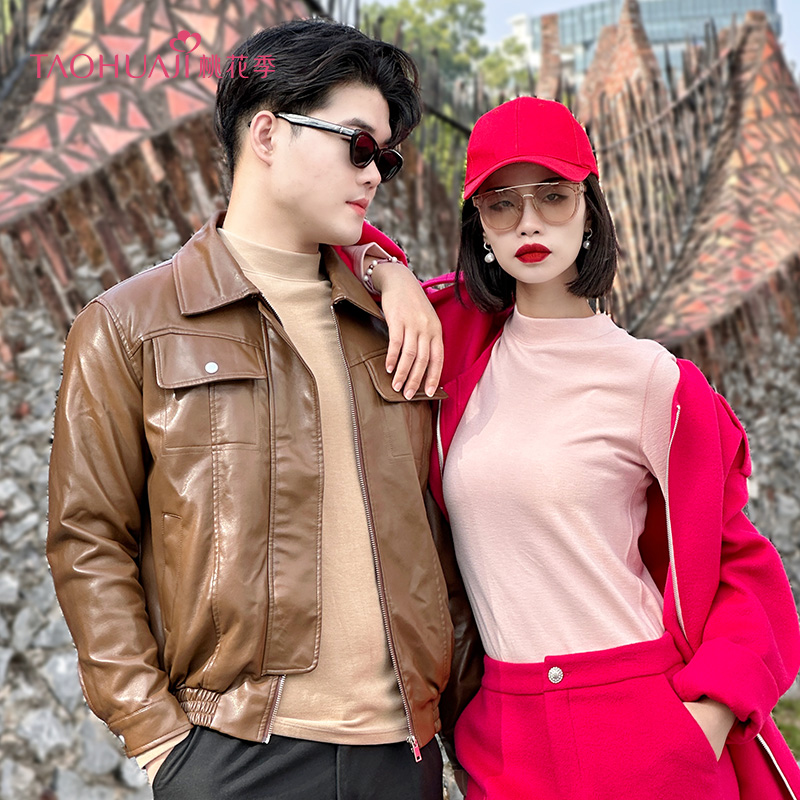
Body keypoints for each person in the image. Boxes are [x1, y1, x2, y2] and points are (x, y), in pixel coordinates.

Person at [46, 19, 461, 800]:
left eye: (386, 159)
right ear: (267, 132)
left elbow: (444, 537)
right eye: (358, 145)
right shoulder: (129, 324)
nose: (374, 175)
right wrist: (160, 741)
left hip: (398, 757)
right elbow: (88, 538)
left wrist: (387, 267)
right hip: (232, 755)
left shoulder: (393, 326)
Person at [349, 96, 800, 799]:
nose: (529, 221)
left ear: (590, 210)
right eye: (501, 204)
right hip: (504, 740)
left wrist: (706, 720)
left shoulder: (654, 381)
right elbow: (316, 236)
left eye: (553, 196)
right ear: (479, 226)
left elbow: (741, 563)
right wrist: (391, 275)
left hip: (644, 725)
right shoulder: (456, 350)